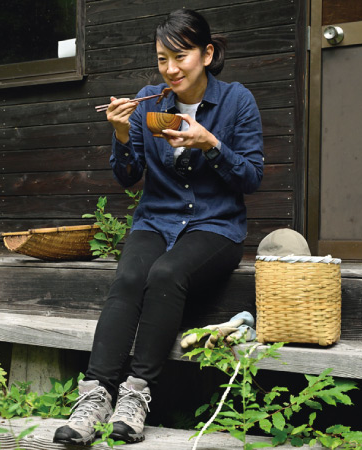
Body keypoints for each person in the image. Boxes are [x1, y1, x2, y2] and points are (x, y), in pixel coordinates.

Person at [53, 8, 264, 445]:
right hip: (157, 218)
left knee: (166, 274)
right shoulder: (150, 101)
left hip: (216, 225)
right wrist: (122, 135)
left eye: (180, 57)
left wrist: (210, 143)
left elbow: (252, 178)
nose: (170, 70)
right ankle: (94, 398)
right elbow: (128, 177)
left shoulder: (237, 101)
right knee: (130, 276)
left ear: (206, 54)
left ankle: (136, 395)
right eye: (162, 59)